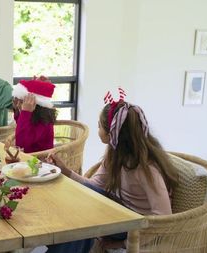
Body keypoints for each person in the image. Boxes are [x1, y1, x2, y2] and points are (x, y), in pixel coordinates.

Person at [46, 90, 179, 251]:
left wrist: (122, 244)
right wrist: (65, 170)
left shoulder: (147, 169)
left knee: (86, 213)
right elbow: (95, 185)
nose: (98, 129)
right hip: (121, 213)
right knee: (82, 207)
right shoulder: (114, 153)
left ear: (112, 133)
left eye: (99, 126)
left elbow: (164, 218)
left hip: (134, 225)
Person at [11, 79, 56, 153]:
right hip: (28, 156)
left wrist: (25, 112)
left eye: (22, 102)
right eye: (16, 100)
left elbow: (21, 143)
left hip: (39, 160)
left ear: (37, 105)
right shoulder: (31, 114)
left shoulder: (43, 122)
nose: (18, 105)